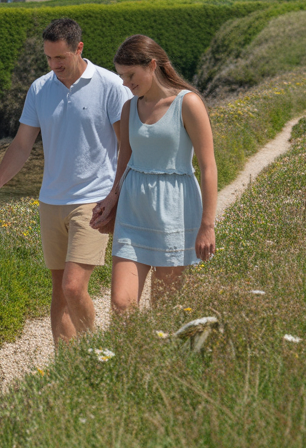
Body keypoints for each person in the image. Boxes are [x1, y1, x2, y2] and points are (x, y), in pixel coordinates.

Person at [0, 18, 129, 345]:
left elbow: (125, 147)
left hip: (94, 200)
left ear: (79, 49)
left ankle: (96, 356)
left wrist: (116, 195)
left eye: (61, 58)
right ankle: (67, 372)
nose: (54, 65)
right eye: (48, 58)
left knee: (74, 286)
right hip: (51, 201)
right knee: (59, 291)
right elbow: (21, 144)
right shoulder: (40, 88)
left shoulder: (111, 85)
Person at [89, 35, 217, 312]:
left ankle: (157, 356)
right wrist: (111, 200)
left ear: (153, 65)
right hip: (133, 210)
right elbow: (123, 161)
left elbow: (208, 167)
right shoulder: (128, 108)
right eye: (122, 76)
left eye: (130, 74)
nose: (125, 83)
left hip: (176, 210)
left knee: (165, 310)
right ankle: (126, 356)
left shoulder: (188, 103)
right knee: (121, 304)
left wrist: (207, 225)